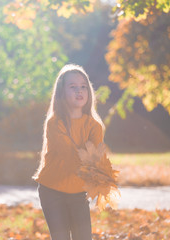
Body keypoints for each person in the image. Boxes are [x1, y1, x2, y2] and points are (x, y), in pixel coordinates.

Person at [33, 64, 110, 240]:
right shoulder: (54, 123)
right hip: (52, 190)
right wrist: (90, 162)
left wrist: (101, 175)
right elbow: (69, 154)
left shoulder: (94, 126)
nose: (79, 91)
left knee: (83, 237)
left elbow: (95, 159)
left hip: (78, 192)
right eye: (72, 87)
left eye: (83, 86)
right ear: (61, 93)